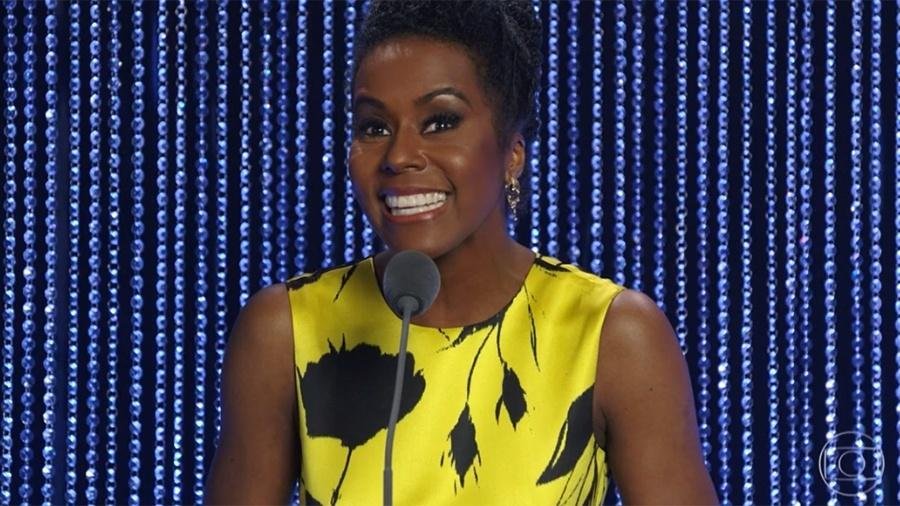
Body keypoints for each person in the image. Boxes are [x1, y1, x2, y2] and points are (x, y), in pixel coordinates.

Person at [205, 0, 718, 504]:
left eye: (441, 121)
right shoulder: (285, 332)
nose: (400, 155)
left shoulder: (612, 336)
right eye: (374, 127)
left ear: (512, 153)